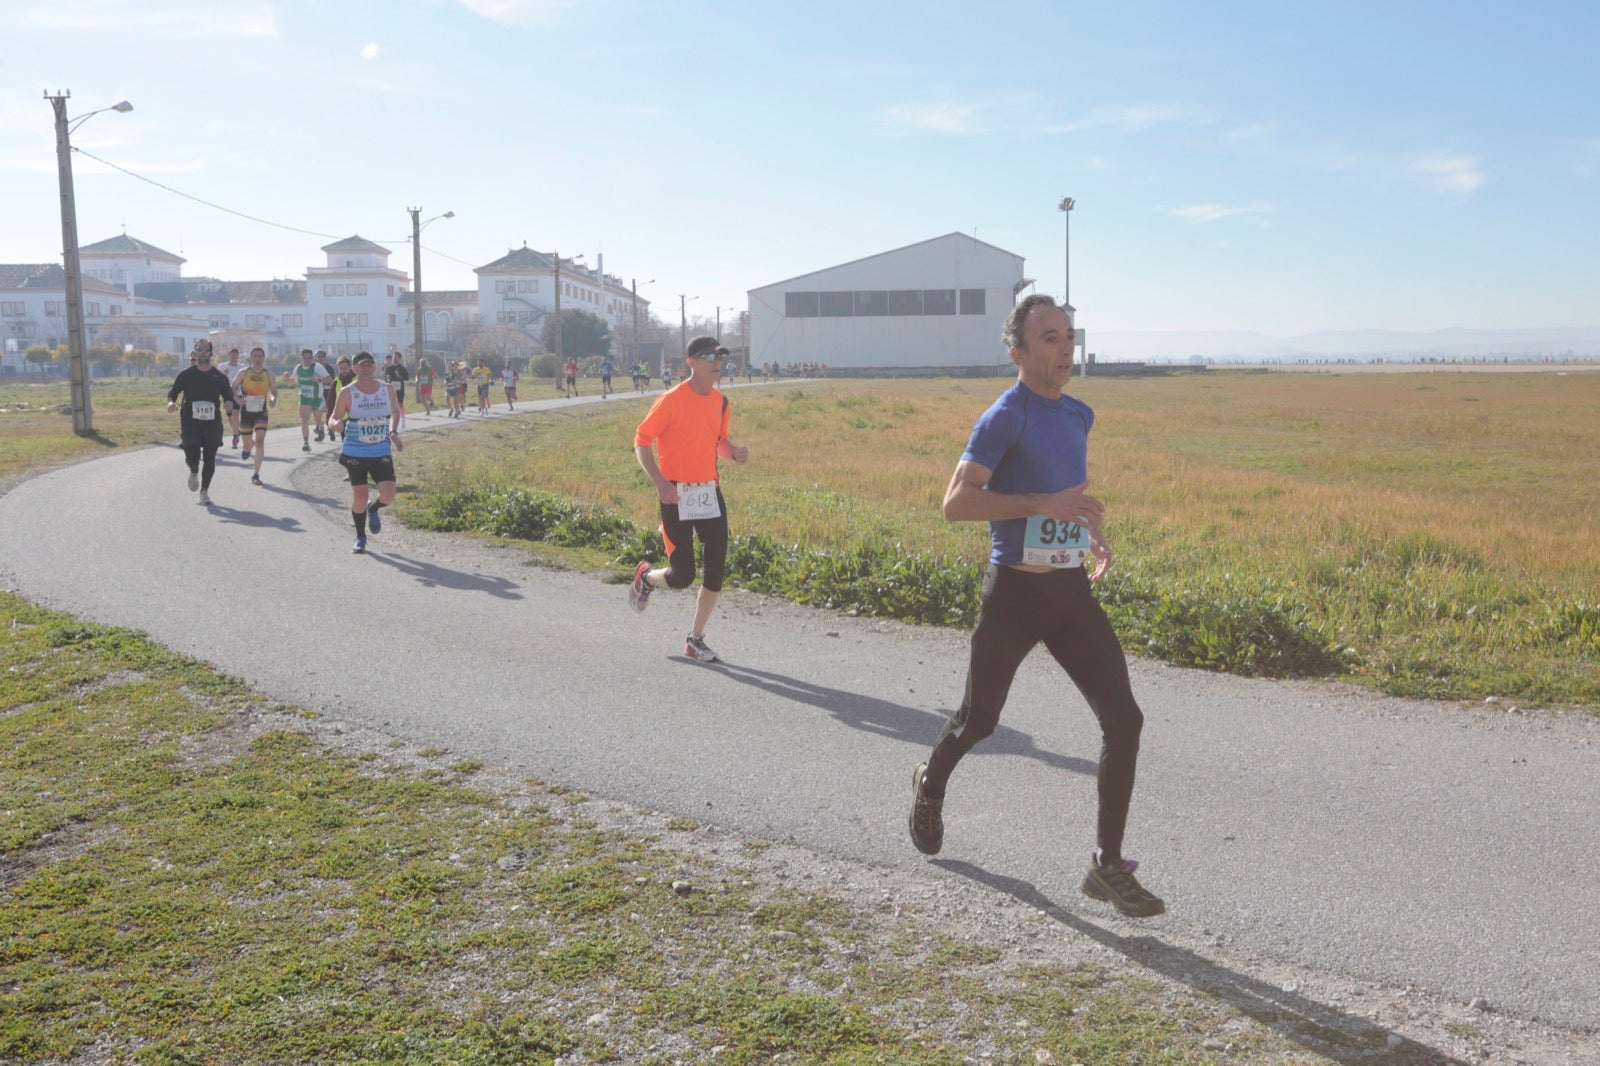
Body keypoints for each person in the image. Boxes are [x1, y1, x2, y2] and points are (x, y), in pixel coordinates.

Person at [906, 294, 1162, 918]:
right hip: (1015, 596)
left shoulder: (1079, 414)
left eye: (1068, 335)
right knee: (979, 721)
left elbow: (1064, 496)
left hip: (1070, 593)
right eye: (1049, 337)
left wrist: (1088, 530)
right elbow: (956, 504)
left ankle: (1107, 865)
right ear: (1018, 351)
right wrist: (1036, 504)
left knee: (1124, 720)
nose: (1064, 346)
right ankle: (929, 783)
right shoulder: (1003, 417)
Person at [628, 337, 749, 663]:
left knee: (715, 571)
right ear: (691, 362)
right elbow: (642, 441)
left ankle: (695, 639)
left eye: (720, 357)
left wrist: (733, 452)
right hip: (675, 493)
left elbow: (719, 441)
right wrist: (660, 482)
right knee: (682, 576)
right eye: (709, 356)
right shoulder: (671, 400)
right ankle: (646, 577)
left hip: (709, 493)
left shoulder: (722, 402)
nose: (717, 363)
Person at [327, 350, 405, 554]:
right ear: (354, 369)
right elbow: (333, 417)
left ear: (375, 367)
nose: (366, 368)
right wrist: (336, 424)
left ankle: (374, 508)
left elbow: (395, 411)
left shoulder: (387, 390)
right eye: (361, 365)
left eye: (369, 364)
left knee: (388, 495)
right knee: (360, 497)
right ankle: (361, 537)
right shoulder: (347, 392)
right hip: (355, 452)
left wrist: (394, 433)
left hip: (380, 450)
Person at [166, 339, 237, 507]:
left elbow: (228, 397)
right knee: (191, 452)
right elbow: (173, 393)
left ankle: (204, 491)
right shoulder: (186, 374)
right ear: (195, 352)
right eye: (199, 349)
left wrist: (229, 403)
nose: (203, 352)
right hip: (190, 422)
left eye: (206, 349)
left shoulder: (219, 377)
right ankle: (193, 469)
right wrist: (171, 403)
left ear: (211, 353)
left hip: (212, 423)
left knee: (210, 457)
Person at [235, 347, 277, 485]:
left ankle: (256, 474)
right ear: (251, 358)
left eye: (260, 356)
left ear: (263, 358)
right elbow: (232, 388)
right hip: (246, 412)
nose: (257, 359)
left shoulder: (269, 375)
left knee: (260, 441)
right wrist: (238, 399)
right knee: (247, 443)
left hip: (261, 412)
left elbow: (274, 392)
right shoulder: (243, 373)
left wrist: (272, 399)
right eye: (255, 356)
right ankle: (248, 447)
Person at [281, 348, 329, 451]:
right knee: (304, 420)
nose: (307, 360)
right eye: (304, 358)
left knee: (318, 420)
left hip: (316, 398)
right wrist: (286, 378)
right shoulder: (298, 368)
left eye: (309, 358)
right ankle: (306, 443)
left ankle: (321, 429)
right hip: (304, 398)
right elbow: (293, 382)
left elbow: (330, 379)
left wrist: (318, 379)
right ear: (301, 358)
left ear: (312, 358)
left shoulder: (317, 367)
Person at [217, 347, 246, 448]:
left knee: (235, 414)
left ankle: (235, 437)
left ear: (238, 356)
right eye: (232, 354)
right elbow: (216, 379)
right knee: (230, 417)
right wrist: (223, 376)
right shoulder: (222, 366)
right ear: (229, 356)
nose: (234, 356)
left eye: (236, 355)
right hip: (227, 393)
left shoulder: (242, 367)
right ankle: (237, 432)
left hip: (238, 392)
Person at [384, 352, 410, 428]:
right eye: (394, 357)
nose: (395, 359)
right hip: (391, 389)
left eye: (396, 357)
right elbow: (386, 378)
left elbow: (407, 378)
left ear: (399, 359)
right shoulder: (389, 368)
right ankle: (392, 421)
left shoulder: (402, 368)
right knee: (390, 405)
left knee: (400, 404)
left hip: (400, 389)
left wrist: (400, 376)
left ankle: (403, 420)